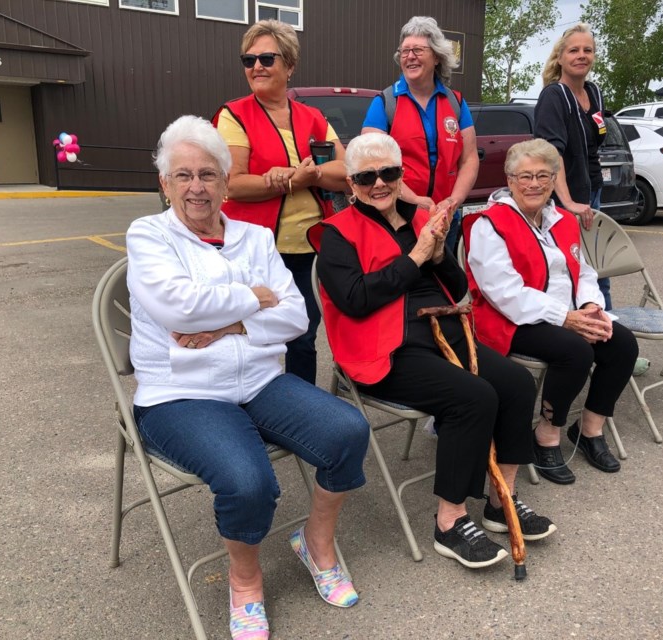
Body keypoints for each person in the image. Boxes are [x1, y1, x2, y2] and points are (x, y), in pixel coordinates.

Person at [129, 115, 369, 640]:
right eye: (184, 175)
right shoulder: (148, 235)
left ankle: (316, 543)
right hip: (180, 393)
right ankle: (245, 582)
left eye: (209, 174)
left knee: (348, 430)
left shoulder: (254, 237)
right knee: (248, 480)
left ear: (223, 179)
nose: (197, 187)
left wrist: (230, 323)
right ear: (164, 184)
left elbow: (297, 318)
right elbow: (178, 308)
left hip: (258, 381)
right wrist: (255, 300)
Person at [311, 132, 555, 571]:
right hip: (387, 346)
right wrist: (415, 258)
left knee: (517, 383)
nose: (380, 183)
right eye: (367, 176)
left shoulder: (419, 219)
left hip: (445, 331)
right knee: (473, 397)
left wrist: (438, 256)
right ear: (351, 185)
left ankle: (503, 500)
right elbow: (355, 300)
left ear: (401, 175)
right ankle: (450, 520)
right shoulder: (336, 234)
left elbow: (460, 289)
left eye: (389, 172)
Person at [463, 138, 639, 486]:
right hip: (511, 319)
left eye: (543, 175)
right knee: (575, 351)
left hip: (566, 314)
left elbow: (583, 271)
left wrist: (590, 307)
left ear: (554, 179)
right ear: (510, 180)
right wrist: (566, 318)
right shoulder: (490, 223)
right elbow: (503, 292)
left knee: (621, 343)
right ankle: (546, 434)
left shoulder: (561, 219)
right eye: (525, 176)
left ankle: (589, 430)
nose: (534, 184)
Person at [209, 19, 348, 386]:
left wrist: (307, 176)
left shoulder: (312, 117)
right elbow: (233, 185)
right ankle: (256, 405)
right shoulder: (234, 115)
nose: (256, 67)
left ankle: (303, 414)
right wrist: (290, 181)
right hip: (254, 250)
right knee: (255, 333)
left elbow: (346, 170)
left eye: (267, 58)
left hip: (307, 249)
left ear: (289, 65)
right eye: (248, 59)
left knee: (303, 336)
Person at [534, 22, 650, 376]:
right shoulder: (556, 96)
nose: (581, 55)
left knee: (596, 272)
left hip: (591, 194)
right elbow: (551, 155)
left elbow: (592, 146)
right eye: (574, 50)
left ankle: (609, 343)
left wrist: (591, 193)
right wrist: (568, 201)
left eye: (587, 50)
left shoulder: (594, 93)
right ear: (561, 56)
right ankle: (593, 347)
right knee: (574, 273)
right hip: (565, 201)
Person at [360, 15, 479, 258]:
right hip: (399, 216)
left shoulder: (456, 102)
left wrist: (454, 201)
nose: (409, 56)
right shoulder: (385, 103)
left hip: (445, 217)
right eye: (404, 51)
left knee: (442, 286)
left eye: (417, 50)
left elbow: (468, 159)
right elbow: (371, 163)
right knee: (406, 284)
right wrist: (414, 199)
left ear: (436, 57)